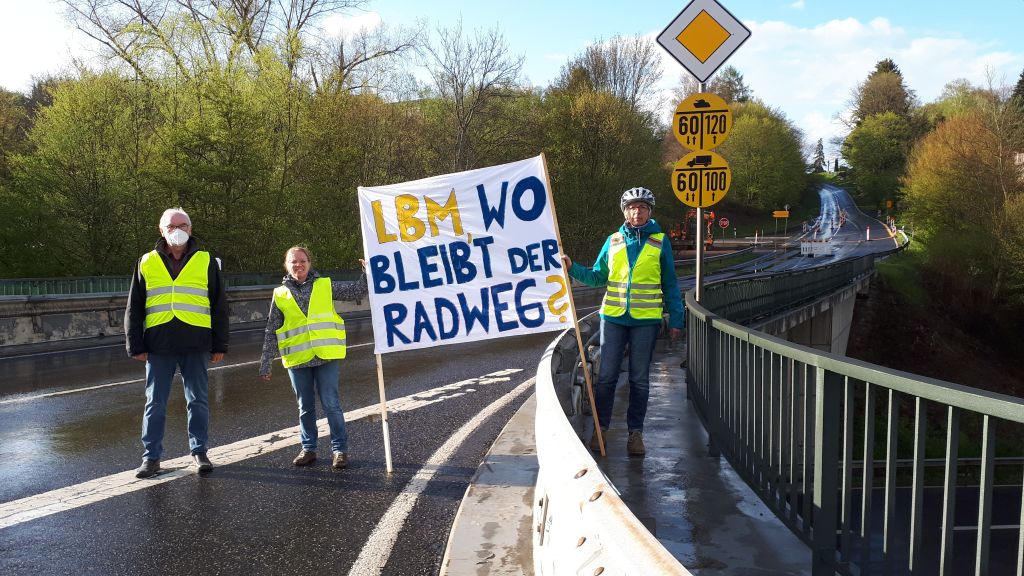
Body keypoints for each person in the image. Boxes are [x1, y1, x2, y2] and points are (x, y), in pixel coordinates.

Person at [562, 187, 684, 456]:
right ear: (625, 212)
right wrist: (572, 268)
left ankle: (635, 435)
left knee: (640, 380)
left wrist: (677, 319)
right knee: (606, 378)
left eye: (641, 207)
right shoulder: (614, 240)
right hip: (614, 319)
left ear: (649, 211)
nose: (636, 212)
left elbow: (671, 284)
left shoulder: (660, 241)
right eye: (631, 207)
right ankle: (600, 430)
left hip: (645, 321)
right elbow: (597, 276)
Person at [125, 207, 228, 478]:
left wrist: (220, 345)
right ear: (161, 230)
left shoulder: (206, 261)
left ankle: (199, 451)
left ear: (191, 230)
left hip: (196, 342)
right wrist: (135, 344)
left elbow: (219, 305)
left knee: (198, 400)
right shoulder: (145, 261)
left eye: (182, 225)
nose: (177, 230)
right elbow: (134, 307)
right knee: (154, 402)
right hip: (159, 344)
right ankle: (151, 458)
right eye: (171, 226)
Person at [259, 246, 367, 469]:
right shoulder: (279, 294)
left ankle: (340, 450)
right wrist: (266, 362)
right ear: (286, 266)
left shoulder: (325, 285)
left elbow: (356, 292)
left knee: (331, 404)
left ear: (310, 263)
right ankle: (308, 449)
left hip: (326, 356)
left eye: (302, 261)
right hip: (298, 359)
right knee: (304, 407)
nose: (298, 265)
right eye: (293, 262)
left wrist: (368, 272)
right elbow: (272, 329)